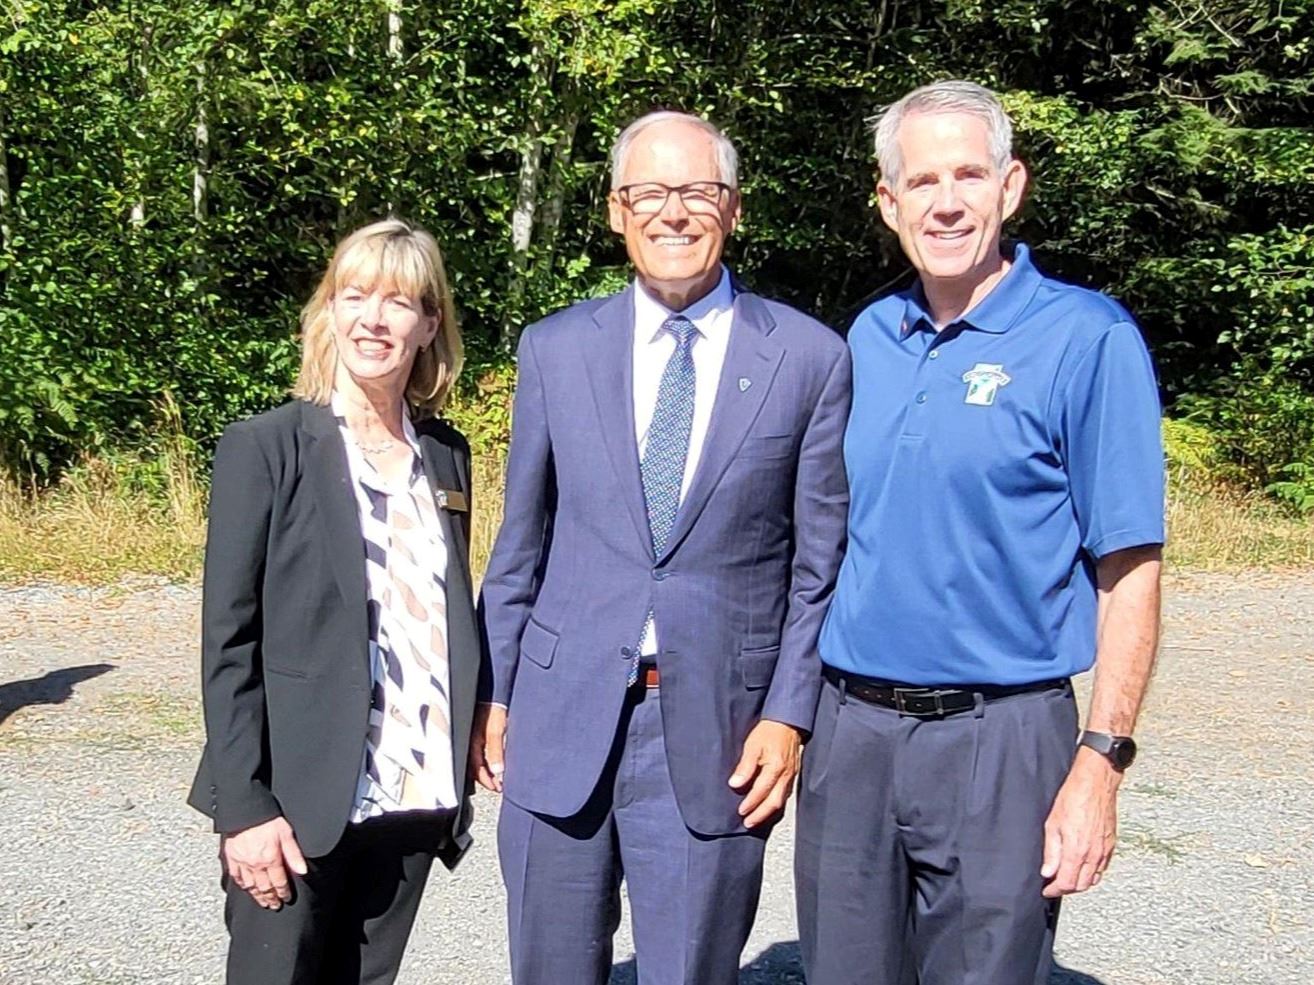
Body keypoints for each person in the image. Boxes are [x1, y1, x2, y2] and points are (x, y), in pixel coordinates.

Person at [795, 80, 1165, 985]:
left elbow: (1130, 571)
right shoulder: (870, 336)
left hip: (999, 738)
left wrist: (1101, 762)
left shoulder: (1086, 338)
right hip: (850, 735)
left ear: (1011, 186)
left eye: (969, 174)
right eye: (922, 181)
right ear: (889, 203)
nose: (947, 202)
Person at [473, 111, 850, 985]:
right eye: (648, 192)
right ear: (617, 210)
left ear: (734, 207)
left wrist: (789, 713)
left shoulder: (809, 358)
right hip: (558, 716)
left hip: (718, 728)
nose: (672, 212)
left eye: (697, 192)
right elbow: (519, 542)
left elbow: (819, 566)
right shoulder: (556, 349)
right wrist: (495, 689)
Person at [187, 218, 481, 985]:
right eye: (354, 296)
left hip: (412, 791)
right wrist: (245, 808)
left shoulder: (445, 455)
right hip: (295, 803)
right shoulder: (266, 446)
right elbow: (228, 641)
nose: (373, 319)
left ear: (429, 324)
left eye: (398, 302)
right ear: (329, 310)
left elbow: (447, 611)